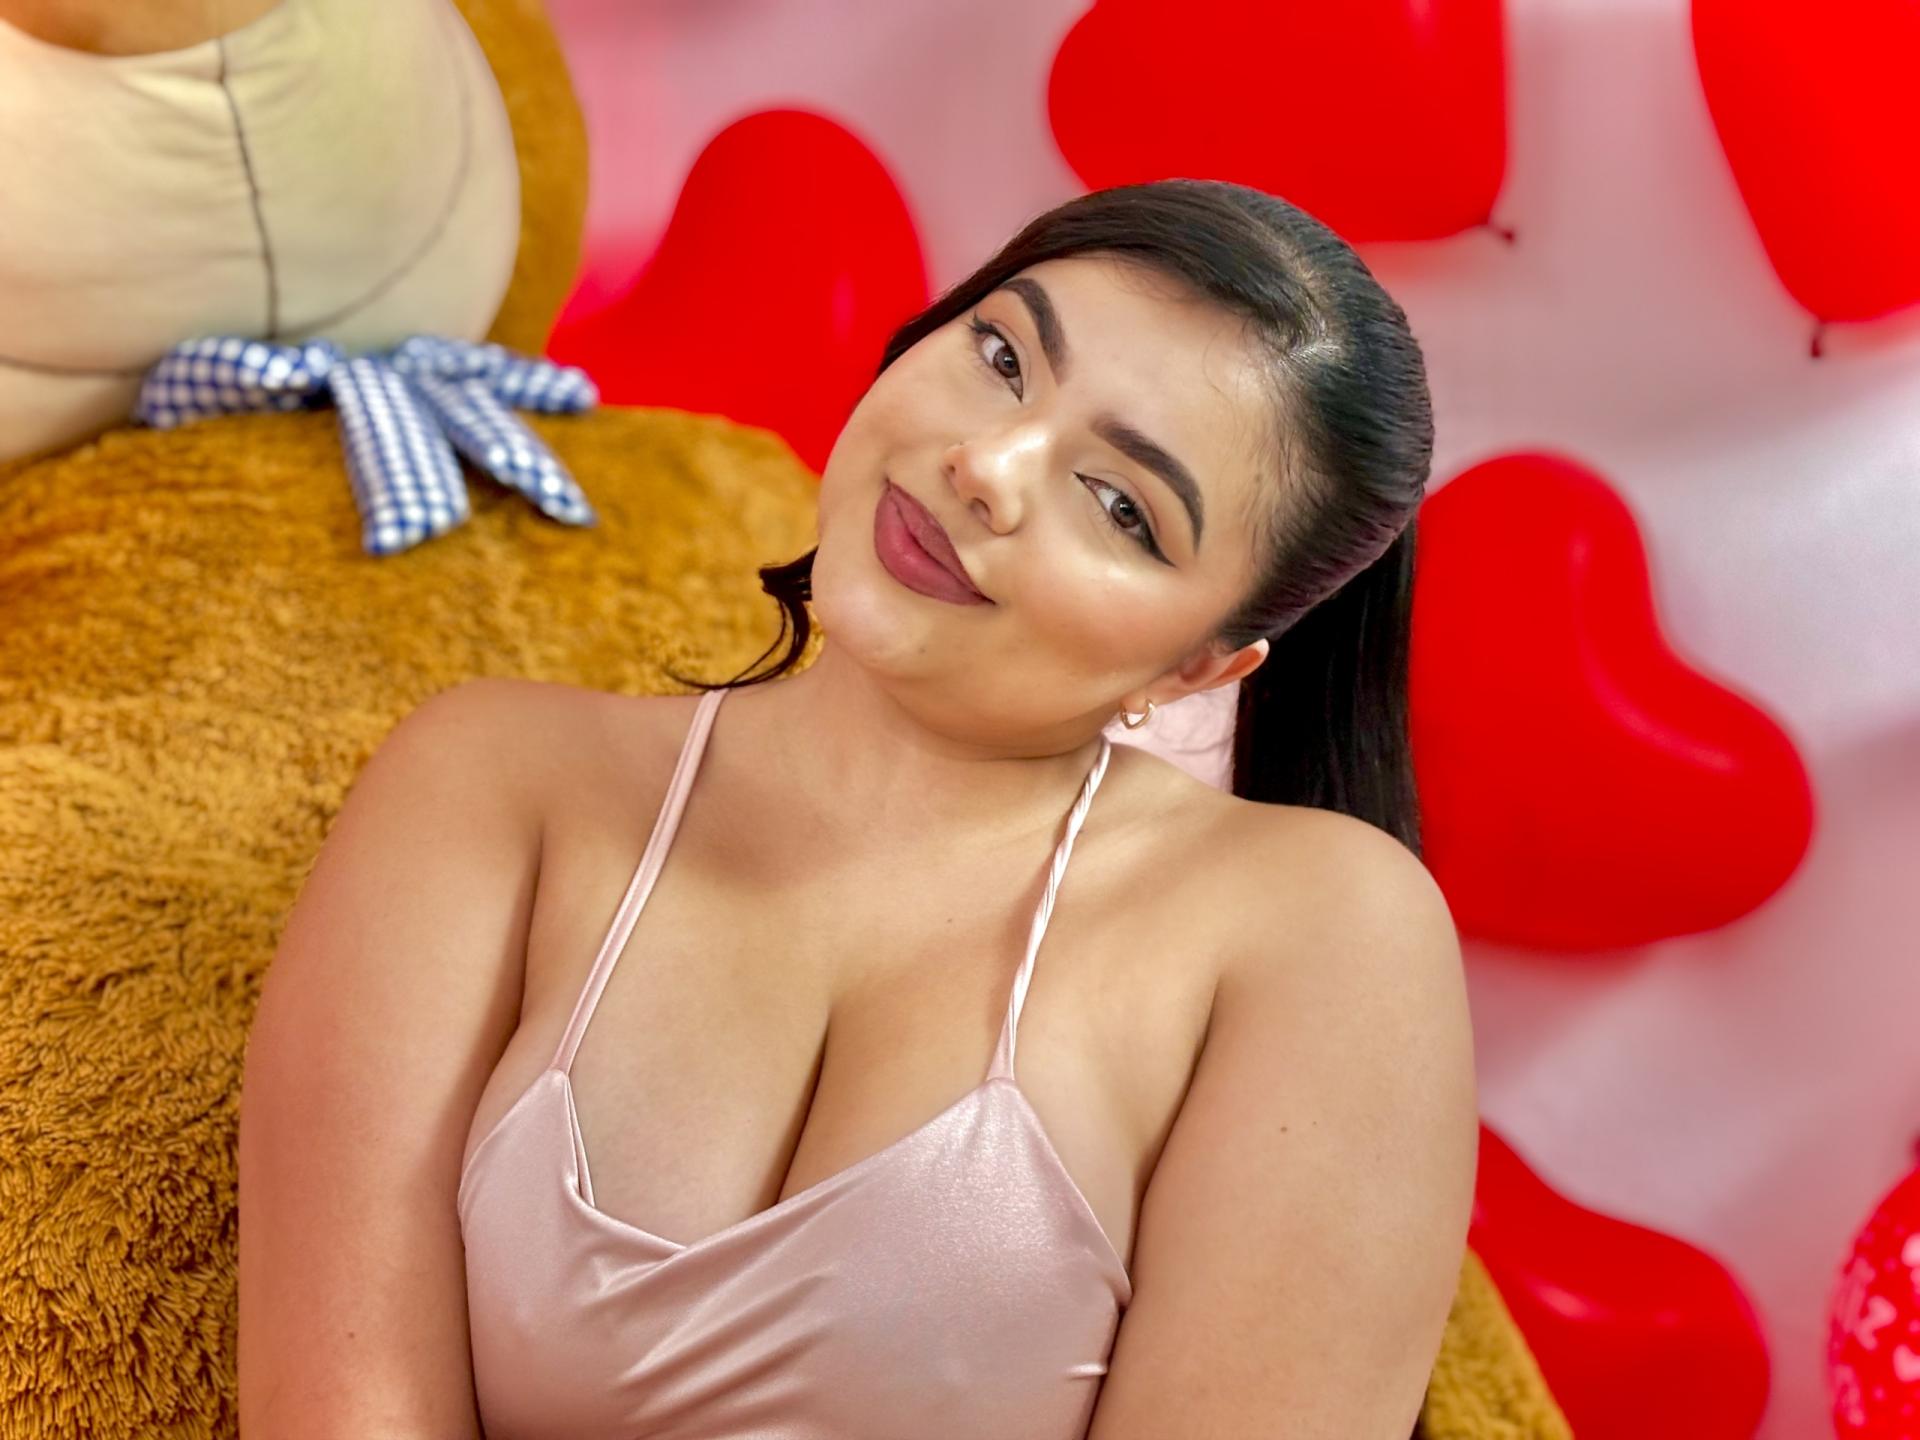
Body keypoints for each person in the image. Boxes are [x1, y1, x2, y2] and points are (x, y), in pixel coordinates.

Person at [239, 178, 1479, 1439]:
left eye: (1122, 507)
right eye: (1003, 356)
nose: (986, 467)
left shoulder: (1316, 932)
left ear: (1201, 667)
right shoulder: (495, 785)